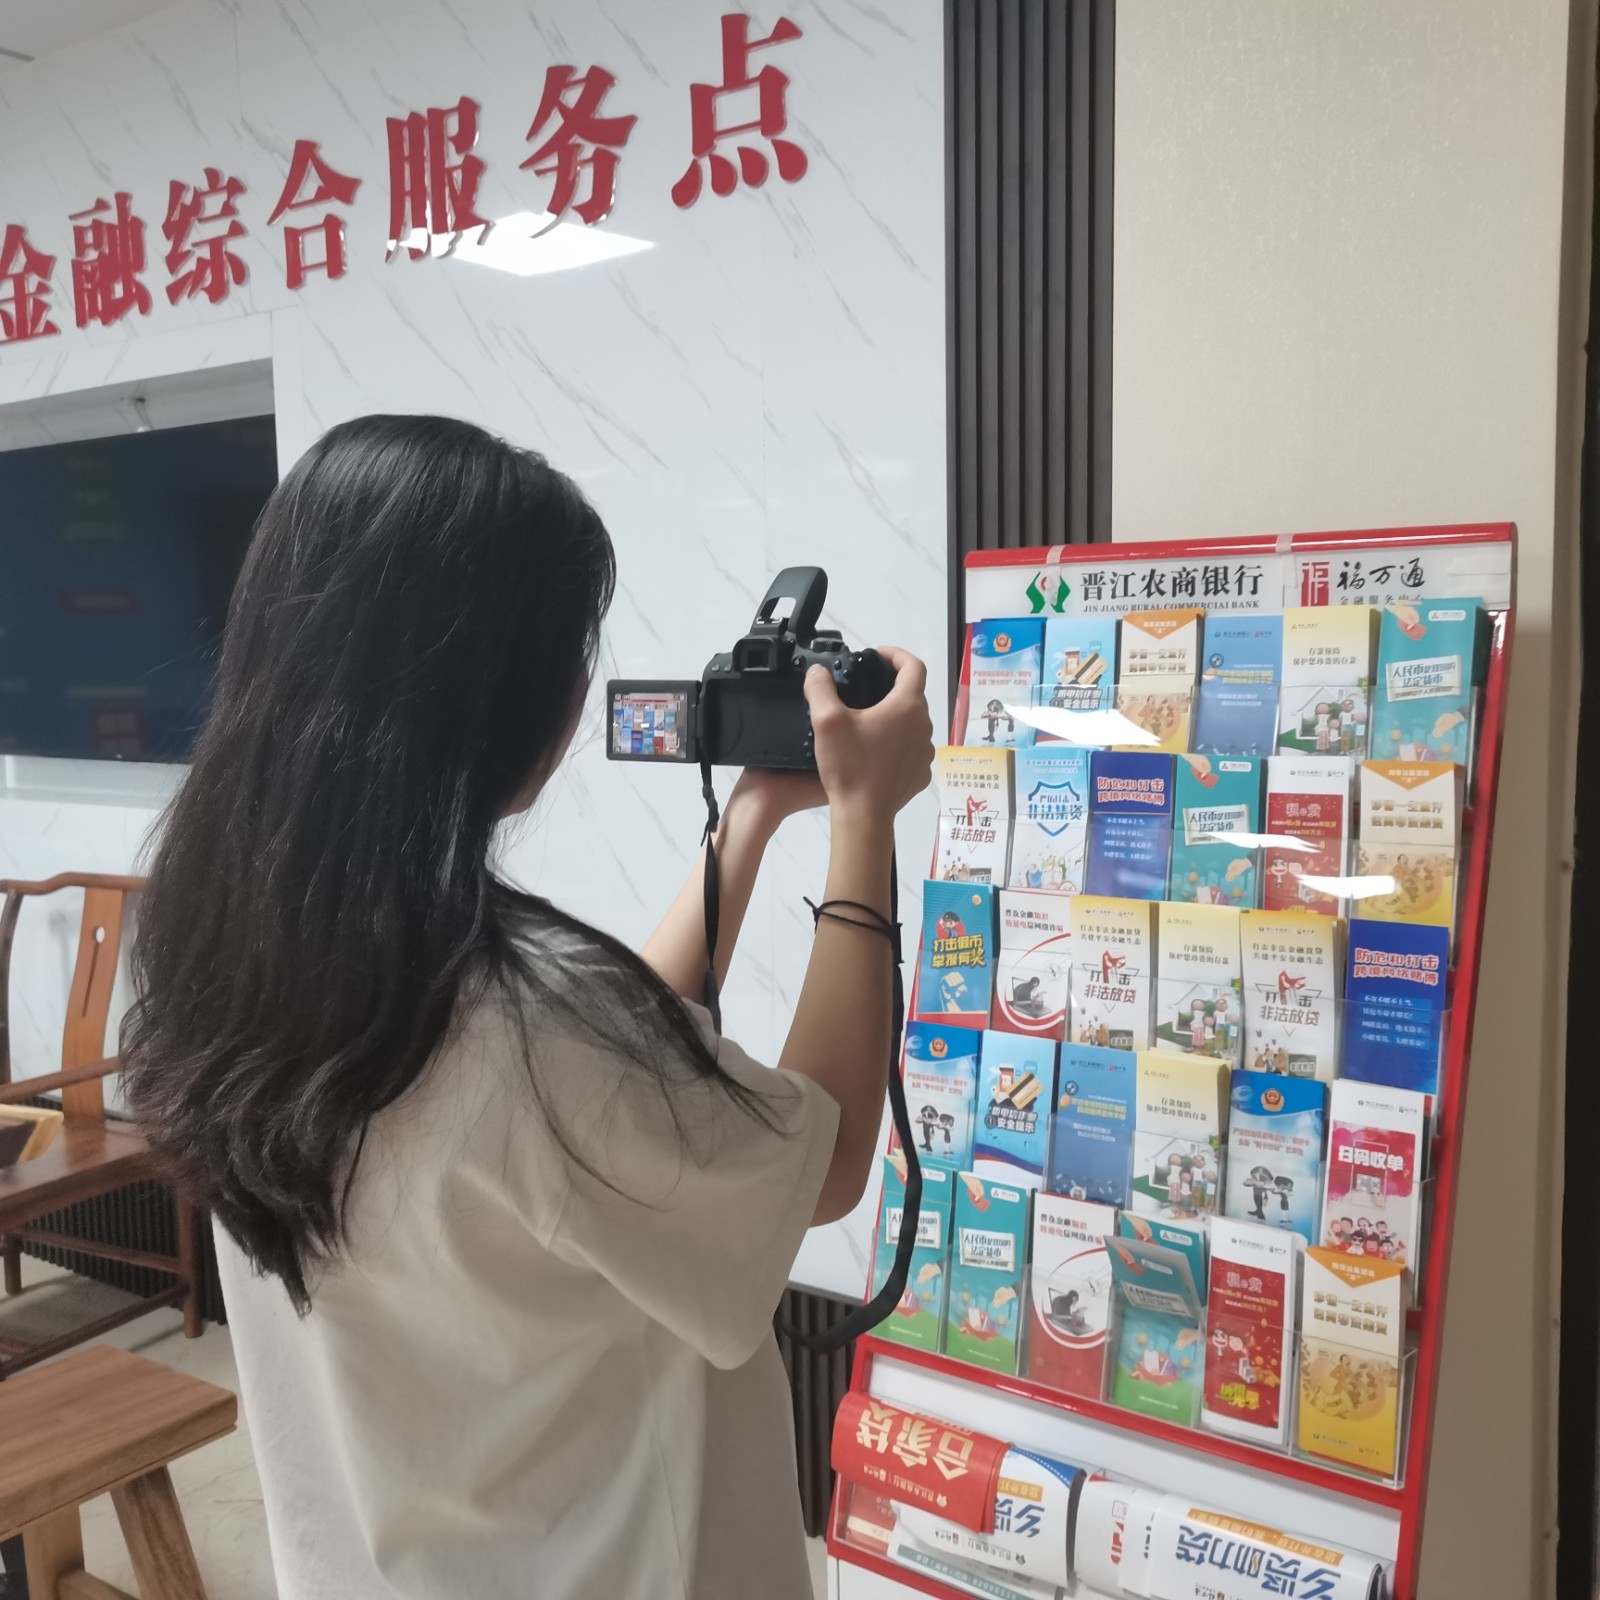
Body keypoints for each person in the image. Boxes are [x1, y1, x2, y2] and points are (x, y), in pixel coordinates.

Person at [120, 415, 934, 1600]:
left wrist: (754, 816)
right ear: (508, 702)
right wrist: (864, 822)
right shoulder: (532, 1024)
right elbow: (822, 1161)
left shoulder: (224, 951)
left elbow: (601, 1080)